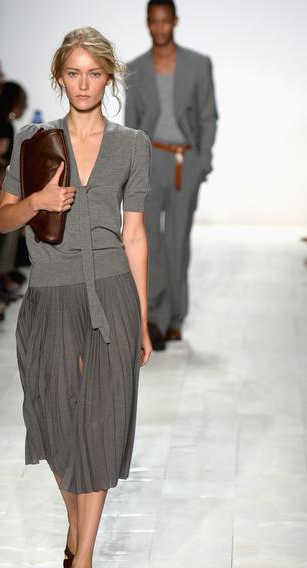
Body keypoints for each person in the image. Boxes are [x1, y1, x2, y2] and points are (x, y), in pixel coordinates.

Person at [0, 26, 152, 568]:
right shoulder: (33, 142)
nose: (84, 84)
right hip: (49, 295)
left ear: (109, 78)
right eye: (73, 72)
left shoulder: (131, 145)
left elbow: (134, 234)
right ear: (59, 77)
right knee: (58, 422)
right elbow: (3, 219)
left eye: (95, 73)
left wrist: (141, 319)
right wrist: (37, 201)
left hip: (111, 293)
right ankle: (75, 527)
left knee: (101, 425)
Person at [126, 0, 218, 349]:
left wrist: (202, 161)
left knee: (178, 241)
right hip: (150, 159)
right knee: (148, 239)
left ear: (175, 21)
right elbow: (131, 124)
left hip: (184, 162)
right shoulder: (134, 69)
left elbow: (208, 115)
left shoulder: (198, 64)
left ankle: (176, 317)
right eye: (154, 21)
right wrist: (132, 167)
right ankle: (154, 316)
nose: (160, 27)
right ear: (147, 23)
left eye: (165, 21)